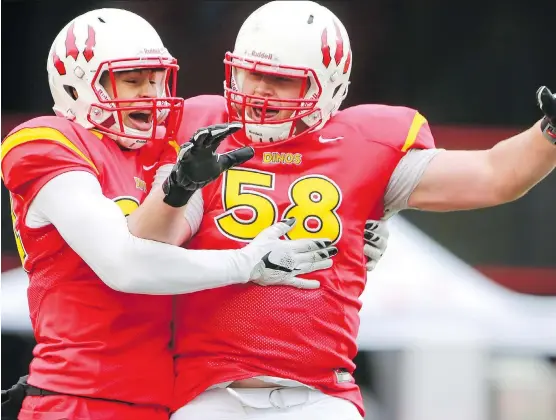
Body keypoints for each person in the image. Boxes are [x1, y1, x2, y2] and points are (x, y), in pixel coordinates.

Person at [127, 1, 556, 419]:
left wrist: (548, 133)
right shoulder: (204, 135)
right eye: (252, 73)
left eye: (279, 79)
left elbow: (494, 174)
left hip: (319, 395)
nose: (259, 90)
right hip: (210, 394)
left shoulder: (367, 144)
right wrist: (178, 185)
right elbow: (142, 250)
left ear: (327, 85)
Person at [0, 8, 341, 420]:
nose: (150, 92)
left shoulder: (163, 153)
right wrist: (247, 263)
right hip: (79, 398)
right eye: (132, 80)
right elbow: (123, 266)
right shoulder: (47, 143)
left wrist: (359, 226)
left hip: (165, 402)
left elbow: (231, 213)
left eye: (156, 78)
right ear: (75, 86)